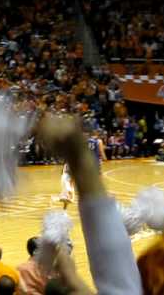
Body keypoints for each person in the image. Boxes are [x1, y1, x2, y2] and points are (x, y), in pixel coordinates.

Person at [39, 114, 142, 294]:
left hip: (85, 169)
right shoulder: (96, 142)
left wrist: (61, 251)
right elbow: (117, 280)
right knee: (80, 190)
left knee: (73, 190)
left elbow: (75, 278)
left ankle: (72, 205)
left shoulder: (92, 143)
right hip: (90, 168)